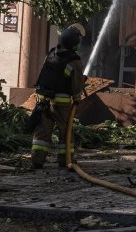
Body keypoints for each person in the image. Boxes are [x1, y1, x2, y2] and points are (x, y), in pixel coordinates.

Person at [30, 23, 86, 169]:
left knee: (42, 132)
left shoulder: (51, 54)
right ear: (75, 42)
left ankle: (37, 160)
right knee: (66, 132)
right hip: (62, 103)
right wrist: (77, 97)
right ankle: (66, 160)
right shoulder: (74, 60)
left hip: (43, 100)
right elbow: (76, 82)